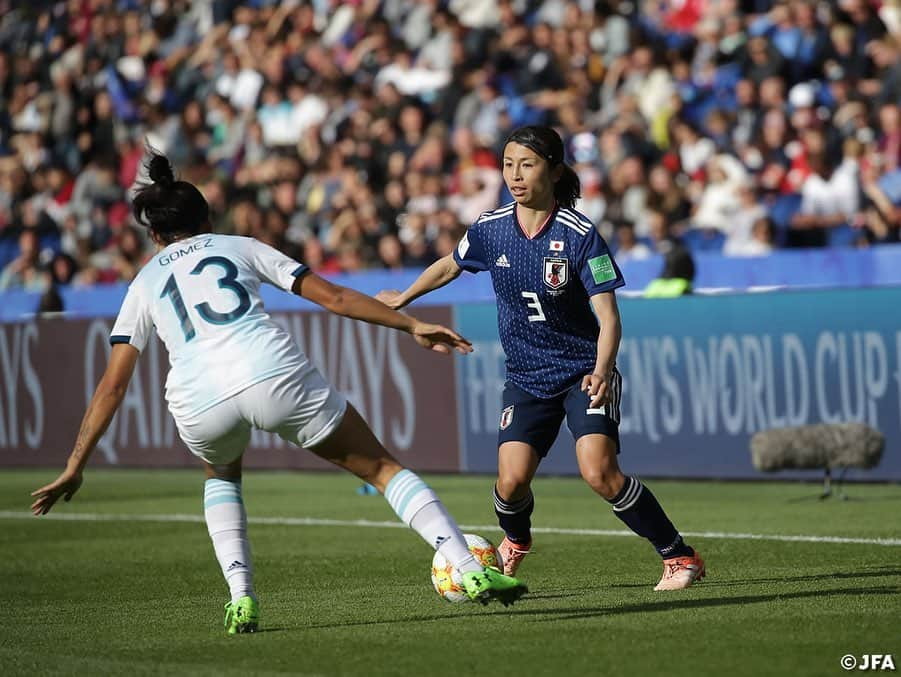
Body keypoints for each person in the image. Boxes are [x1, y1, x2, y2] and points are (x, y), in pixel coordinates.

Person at [30, 151, 527, 635]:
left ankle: (241, 598)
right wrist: (411, 323)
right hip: (270, 371)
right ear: (208, 218)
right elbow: (333, 297)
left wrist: (76, 464)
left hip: (197, 399)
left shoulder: (143, 282)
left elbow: (113, 384)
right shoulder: (240, 246)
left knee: (221, 472)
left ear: (155, 234)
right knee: (380, 468)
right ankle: (466, 565)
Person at [377, 126, 706, 591]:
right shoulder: (491, 229)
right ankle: (515, 540)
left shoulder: (580, 235)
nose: (514, 174)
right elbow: (451, 263)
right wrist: (405, 297)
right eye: (508, 164)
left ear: (553, 170)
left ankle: (680, 557)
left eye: (526, 165)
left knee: (599, 472)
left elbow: (609, 318)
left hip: (582, 374)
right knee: (510, 484)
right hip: (526, 378)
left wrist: (603, 369)